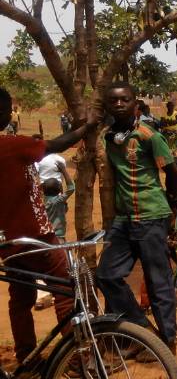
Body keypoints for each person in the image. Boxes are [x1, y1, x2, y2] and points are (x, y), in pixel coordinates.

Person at [0, 87, 97, 361]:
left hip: (9, 242)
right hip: (36, 236)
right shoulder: (12, 145)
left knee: (21, 298)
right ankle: (76, 358)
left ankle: (26, 357)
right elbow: (55, 145)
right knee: (65, 287)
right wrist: (86, 127)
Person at [96, 82, 177, 352]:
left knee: (158, 281)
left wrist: (171, 210)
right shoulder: (107, 137)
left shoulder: (149, 136)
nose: (119, 104)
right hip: (123, 219)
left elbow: (173, 175)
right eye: (113, 100)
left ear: (136, 104)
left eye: (125, 99)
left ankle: (167, 343)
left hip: (151, 216)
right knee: (106, 275)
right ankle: (143, 332)